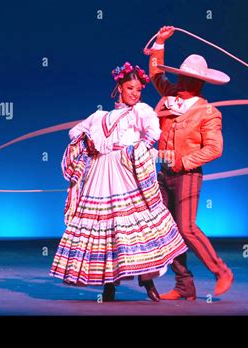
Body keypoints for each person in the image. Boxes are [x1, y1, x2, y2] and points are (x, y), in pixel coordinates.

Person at [49, 62, 188, 302]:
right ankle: (109, 284)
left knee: (136, 225)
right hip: (102, 173)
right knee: (107, 228)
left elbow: (152, 134)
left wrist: (135, 152)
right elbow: (75, 132)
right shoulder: (100, 116)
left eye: (138, 89)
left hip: (126, 172)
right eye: (130, 88)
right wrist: (90, 144)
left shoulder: (141, 111)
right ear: (120, 88)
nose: (135, 93)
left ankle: (147, 280)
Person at [148, 26, 234, 300]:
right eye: (181, 78)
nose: (180, 83)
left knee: (186, 227)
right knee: (168, 229)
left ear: (198, 83)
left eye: (186, 80)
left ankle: (220, 270)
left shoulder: (208, 113)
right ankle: (184, 284)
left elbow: (214, 149)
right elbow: (156, 75)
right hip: (162, 173)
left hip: (187, 174)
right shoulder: (170, 97)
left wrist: (184, 161)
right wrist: (160, 42)